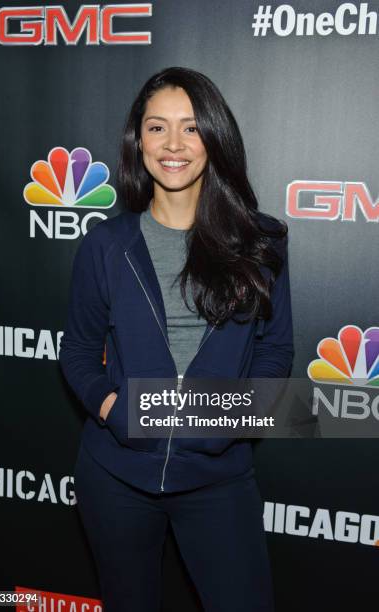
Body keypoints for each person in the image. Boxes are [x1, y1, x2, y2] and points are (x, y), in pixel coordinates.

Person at [59, 66, 294, 612]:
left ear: (214, 137)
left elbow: (275, 350)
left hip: (218, 477)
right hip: (116, 475)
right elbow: (76, 354)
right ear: (137, 140)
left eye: (190, 128)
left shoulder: (263, 242)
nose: (173, 145)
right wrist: (113, 407)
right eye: (156, 127)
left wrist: (230, 418)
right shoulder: (106, 246)